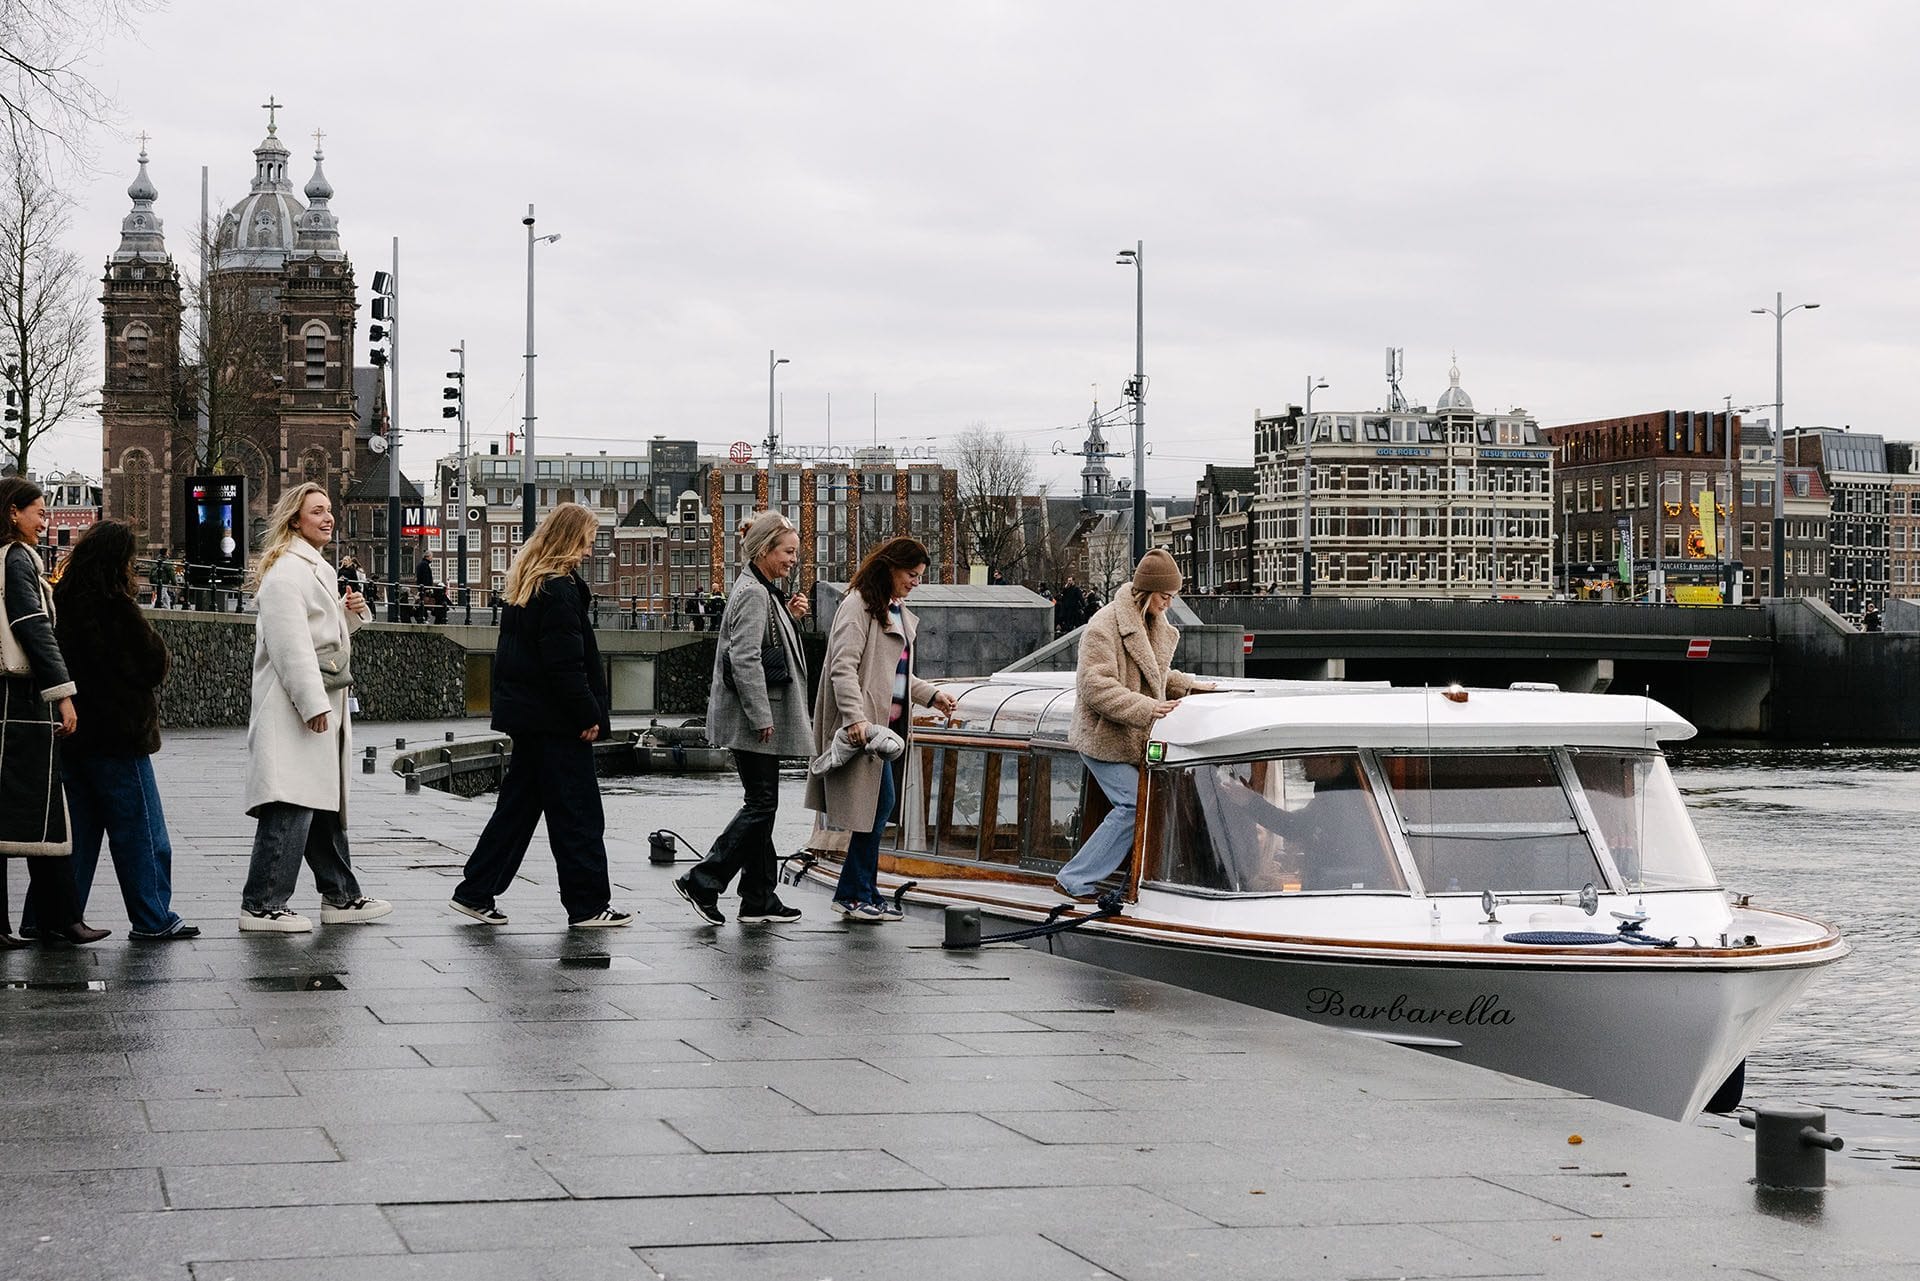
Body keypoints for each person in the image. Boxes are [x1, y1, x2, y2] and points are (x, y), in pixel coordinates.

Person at [452, 503, 631, 929]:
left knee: (516, 811)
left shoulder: (527, 585)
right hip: (556, 722)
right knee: (578, 813)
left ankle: (475, 892)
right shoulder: (560, 590)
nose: (589, 551)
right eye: (587, 541)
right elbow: (565, 665)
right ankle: (588, 905)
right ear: (571, 540)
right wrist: (588, 713)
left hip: (528, 717)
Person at [22, 521, 198, 940]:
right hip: (120, 736)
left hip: (73, 734)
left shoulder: (61, 599)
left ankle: (48, 918)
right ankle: (153, 917)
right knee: (141, 831)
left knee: (75, 838)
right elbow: (152, 662)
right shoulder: (115, 606)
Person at [238, 483, 390, 932]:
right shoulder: (288, 573)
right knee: (291, 801)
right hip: (293, 709)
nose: (328, 518)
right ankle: (261, 904)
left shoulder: (310, 569)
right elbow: (291, 649)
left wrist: (349, 615)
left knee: (318, 800)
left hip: (310, 707)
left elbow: (318, 638)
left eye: (329, 510)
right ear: (295, 520)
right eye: (317, 511)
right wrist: (312, 703)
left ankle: (341, 896)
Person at [804, 536, 958, 922]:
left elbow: (896, 675)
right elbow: (843, 666)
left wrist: (931, 696)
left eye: (920, 576)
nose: (916, 582)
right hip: (865, 730)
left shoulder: (895, 609)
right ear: (889, 567)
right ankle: (853, 893)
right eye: (911, 574)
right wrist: (854, 719)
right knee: (876, 808)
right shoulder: (857, 605)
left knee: (877, 808)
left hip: (884, 732)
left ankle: (864, 891)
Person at [674, 512, 812, 926]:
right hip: (756, 718)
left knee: (763, 806)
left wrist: (790, 615)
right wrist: (760, 715)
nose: (793, 561)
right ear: (765, 549)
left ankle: (758, 896)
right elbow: (746, 657)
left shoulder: (760, 589)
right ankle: (705, 878)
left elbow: (756, 643)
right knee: (762, 803)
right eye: (788, 552)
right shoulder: (754, 593)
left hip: (755, 715)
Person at [1054, 547, 1215, 901]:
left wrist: (1191, 686)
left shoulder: (1154, 623)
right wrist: (1149, 708)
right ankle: (1074, 878)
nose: (1169, 604)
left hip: (1133, 736)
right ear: (1146, 592)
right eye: (1165, 596)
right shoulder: (1104, 626)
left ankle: (1143, 879)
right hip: (1104, 739)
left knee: (1151, 801)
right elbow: (1095, 687)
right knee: (1133, 804)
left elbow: (1154, 674)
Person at [0, 477, 108, 947]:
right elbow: (32, 627)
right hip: (21, 700)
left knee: (17, 811)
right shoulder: (18, 560)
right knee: (42, 808)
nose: (45, 521)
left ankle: (34, 921)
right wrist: (63, 693)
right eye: (40, 513)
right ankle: (61, 918)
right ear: (13, 513)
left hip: (8, 699)